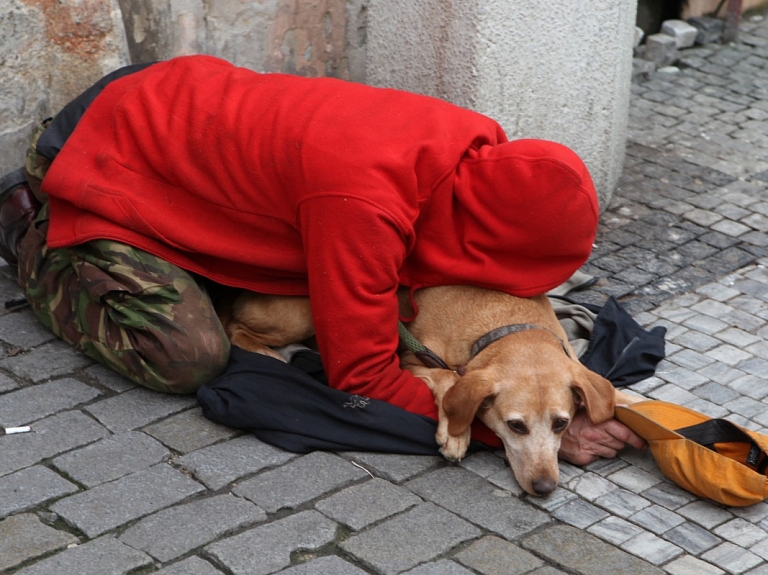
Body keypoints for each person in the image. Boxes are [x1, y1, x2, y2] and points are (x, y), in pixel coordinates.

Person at [0, 54, 644, 462]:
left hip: (171, 106)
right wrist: (494, 424)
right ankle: (28, 230)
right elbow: (362, 379)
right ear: (486, 231)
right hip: (99, 151)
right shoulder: (364, 204)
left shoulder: (479, 151)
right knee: (186, 355)